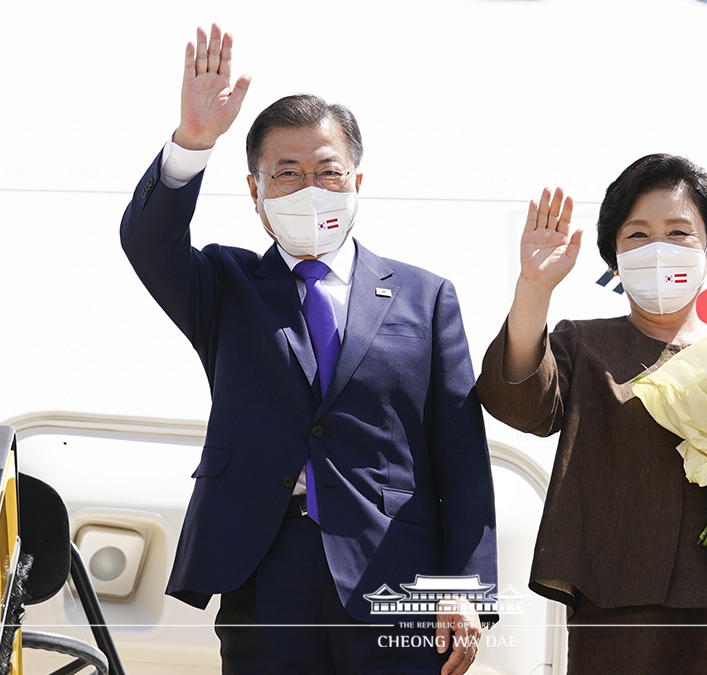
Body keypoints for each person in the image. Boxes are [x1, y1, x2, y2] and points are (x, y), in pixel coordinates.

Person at [120, 24, 497, 675]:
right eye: (287, 174)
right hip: (265, 565)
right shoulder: (226, 286)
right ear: (256, 192)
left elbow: (460, 456)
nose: (310, 188)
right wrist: (192, 141)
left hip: (395, 576)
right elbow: (147, 241)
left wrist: (462, 586)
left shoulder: (424, 296)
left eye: (327, 172)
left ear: (357, 181)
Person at [475, 154, 707, 674]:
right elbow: (517, 399)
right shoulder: (583, 345)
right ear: (614, 253)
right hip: (619, 622)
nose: (658, 250)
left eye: (678, 232)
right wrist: (534, 289)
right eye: (638, 235)